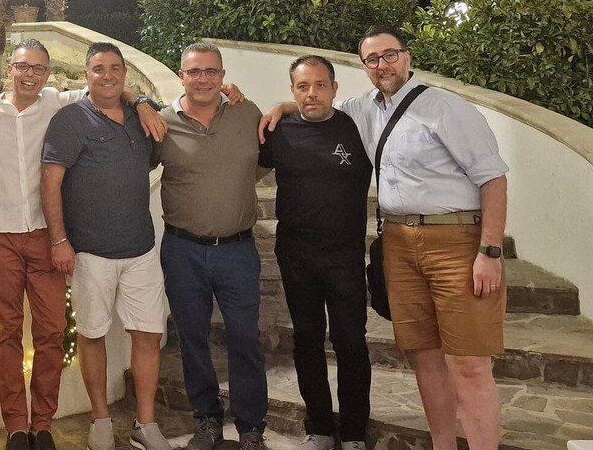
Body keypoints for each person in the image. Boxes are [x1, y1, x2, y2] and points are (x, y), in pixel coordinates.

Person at [260, 26, 509, 450]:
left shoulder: (446, 107)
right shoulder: (364, 109)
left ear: (407, 57)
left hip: (454, 241)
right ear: (364, 67)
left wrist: (490, 250)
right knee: (425, 358)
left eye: (389, 55)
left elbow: (493, 177)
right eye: (372, 59)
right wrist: (283, 107)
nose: (382, 65)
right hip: (397, 244)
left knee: (469, 365)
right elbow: (313, 105)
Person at [0, 39, 165, 450]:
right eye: (22, 66)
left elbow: (114, 88)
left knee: (52, 333)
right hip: (0, 233)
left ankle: (43, 425)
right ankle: (16, 427)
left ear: (48, 74)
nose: (30, 74)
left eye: (38, 68)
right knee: (7, 333)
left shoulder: (57, 101)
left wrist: (142, 101)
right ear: (9, 69)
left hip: (46, 237)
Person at [41, 42, 172, 450]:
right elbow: (50, 185)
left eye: (115, 68)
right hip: (89, 253)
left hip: (141, 250)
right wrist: (60, 240)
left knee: (148, 335)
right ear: (87, 75)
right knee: (92, 334)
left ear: (124, 74)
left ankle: (145, 424)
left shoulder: (141, 117)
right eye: (99, 68)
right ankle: (100, 420)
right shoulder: (69, 120)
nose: (108, 75)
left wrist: (143, 102)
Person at [151, 43, 269, 450]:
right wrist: (140, 102)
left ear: (223, 76)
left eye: (211, 71)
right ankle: (207, 420)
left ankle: (251, 428)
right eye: (195, 71)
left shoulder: (247, 113)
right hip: (182, 250)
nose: (203, 79)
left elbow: (261, 161)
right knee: (192, 339)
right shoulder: (162, 122)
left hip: (238, 251)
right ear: (181, 75)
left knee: (245, 339)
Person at [257, 56, 372, 450]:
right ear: (292, 90)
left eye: (320, 85)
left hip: (345, 258)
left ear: (335, 88)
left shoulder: (357, 128)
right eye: (303, 86)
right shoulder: (278, 132)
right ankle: (320, 428)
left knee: (351, 343)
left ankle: (354, 433)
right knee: (306, 341)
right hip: (296, 256)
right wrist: (280, 109)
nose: (312, 93)